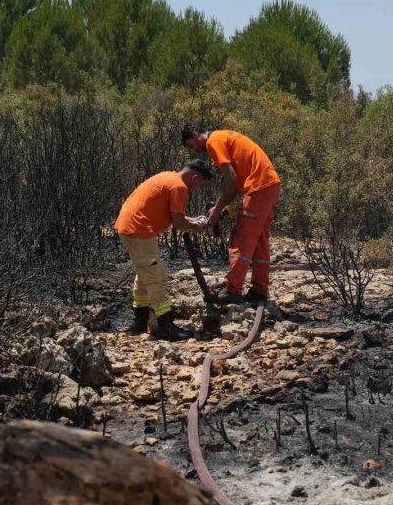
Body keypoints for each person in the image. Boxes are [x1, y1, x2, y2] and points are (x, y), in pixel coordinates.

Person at [181, 122, 281, 304]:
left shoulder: (213, 142)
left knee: (241, 238)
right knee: (259, 240)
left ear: (196, 135)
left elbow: (231, 179)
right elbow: (235, 184)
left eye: (191, 145)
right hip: (270, 185)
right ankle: (259, 289)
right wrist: (219, 208)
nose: (194, 150)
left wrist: (218, 208)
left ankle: (233, 289)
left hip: (258, 187)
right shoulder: (223, 137)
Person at [114, 160, 212, 341]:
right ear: (195, 177)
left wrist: (192, 219)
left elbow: (174, 215)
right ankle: (166, 327)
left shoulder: (169, 178)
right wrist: (198, 227)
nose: (198, 188)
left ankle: (140, 323)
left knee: (145, 274)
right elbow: (179, 223)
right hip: (138, 230)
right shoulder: (179, 187)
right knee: (155, 276)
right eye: (200, 184)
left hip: (128, 226)